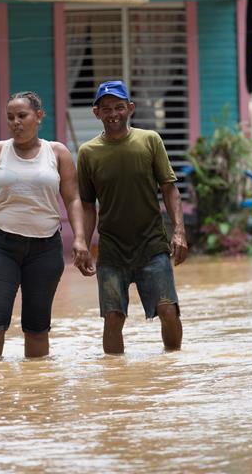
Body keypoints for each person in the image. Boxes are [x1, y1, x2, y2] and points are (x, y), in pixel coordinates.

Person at [0, 91, 92, 358]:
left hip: (45, 249)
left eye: (22, 116)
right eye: (10, 117)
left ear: (39, 116)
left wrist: (80, 238)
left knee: (37, 326)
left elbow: (73, 199)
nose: (16, 122)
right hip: (0, 246)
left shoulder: (57, 153)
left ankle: (37, 390)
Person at [76, 80, 188, 354]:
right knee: (113, 318)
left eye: (119, 107)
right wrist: (82, 243)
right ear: (96, 113)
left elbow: (169, 189)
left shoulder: (149, 141)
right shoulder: (88, 153)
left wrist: (179, 231)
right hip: (112, 249)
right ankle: (115, 383)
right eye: (106, 109)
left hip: (151, 244)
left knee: (168, 310)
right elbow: (88, 205)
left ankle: (173, 368)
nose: (113, 113)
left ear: (130, 109)